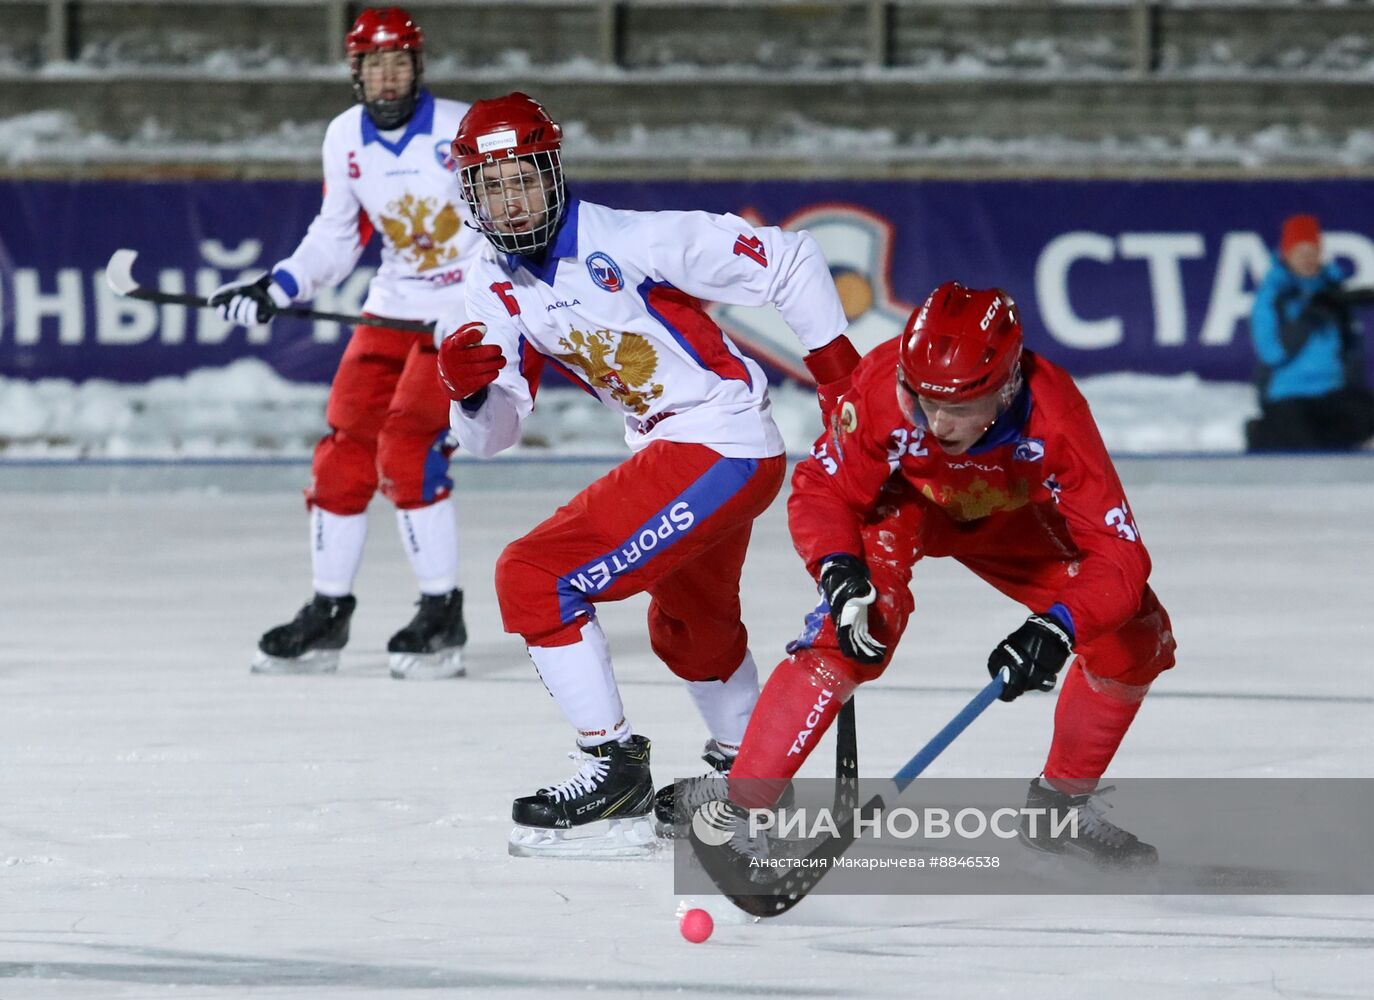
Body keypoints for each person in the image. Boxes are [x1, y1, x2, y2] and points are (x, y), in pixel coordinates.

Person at [432, 93, 862, 857]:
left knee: (533, 575)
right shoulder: (488, 283)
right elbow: (493, 436)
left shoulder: (630, 238)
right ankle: (753, 782)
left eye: (522, 177)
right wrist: (466, 391)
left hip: (718, 445)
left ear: (553, 174)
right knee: (689, 630)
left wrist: (843, 387)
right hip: (688, 452)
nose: (511, 198)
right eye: (491, 185)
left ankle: (611, 766)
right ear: (471, 195)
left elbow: (790, 257)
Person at [703, 282, 1177, 868]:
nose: (934, 422)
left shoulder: (1056, 416)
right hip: (901, 504)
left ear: (1006, 388)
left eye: (957, 407)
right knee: (849, 636)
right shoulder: (883, 388)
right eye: (922, 398)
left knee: (1134, 638)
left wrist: (1059, 627)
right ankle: (740, 816)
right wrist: (839, 568)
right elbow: (823, 487)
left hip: (1003, 512)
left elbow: (1119, 553)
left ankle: (1060, 807)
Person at [210, 7, 485, 680]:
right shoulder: (344, 137)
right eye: (374, 65)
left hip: (466, 311)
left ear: (418, 67)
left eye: (399, 63)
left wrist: (487, 305)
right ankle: (329, 614)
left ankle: (441, 610)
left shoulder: (463, 128)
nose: (388, 76)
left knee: (408, 450)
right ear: (355, 73)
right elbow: (337, 237)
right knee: (341, 456)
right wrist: (279, 285)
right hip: (392, 307)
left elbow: (515, 217)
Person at [1246, 213, 1374, 452]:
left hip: (1332, 392)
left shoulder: (1332, 291)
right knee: (1306, 446)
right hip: (1288, 395)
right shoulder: (1273, 296)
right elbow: (1272, 352)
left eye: (1312, 252)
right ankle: (1263, 432)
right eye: (1300, 252)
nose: (1307, 259)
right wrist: (1307, 318)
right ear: (1286, 254)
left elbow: (1349, 348)